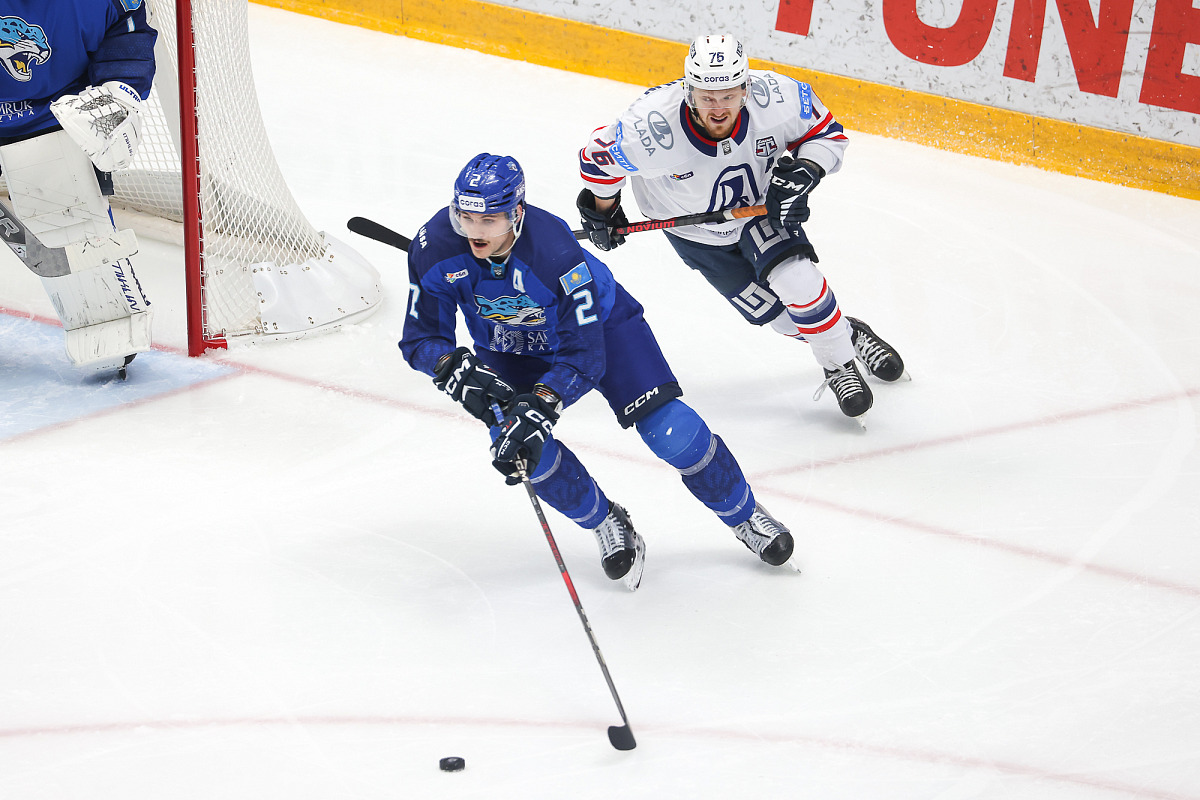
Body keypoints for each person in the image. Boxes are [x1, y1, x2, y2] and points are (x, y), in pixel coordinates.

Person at [400, 153, 797, 589]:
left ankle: (744, 515)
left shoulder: (554, 253)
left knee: (671, 429)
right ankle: (607, 521)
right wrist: (449, 367)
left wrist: (543, 403)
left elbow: (585, 356)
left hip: (600, 330)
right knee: (522, 448)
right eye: (466, 218)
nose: (475, 232)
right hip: (509, 347)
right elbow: (421, 338)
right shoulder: (434, 248)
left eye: (489, 220)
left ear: (517, 213)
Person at [577, 33, 908, 426]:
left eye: (729, 96)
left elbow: (826, 133)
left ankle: (838, 366)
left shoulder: (777, 98)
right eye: (707, 97)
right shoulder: (649, 128)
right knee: (780, 318)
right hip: (695, 236)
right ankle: (849, 334)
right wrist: (605, 210)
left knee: (798, 282)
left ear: (746, 89)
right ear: (688, 91)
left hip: (760, 210)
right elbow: (596, 160)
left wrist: (807, 169)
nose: (718, 109)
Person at [0, 1, 157, 377]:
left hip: (53, 116)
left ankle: (103, 323)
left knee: (70, 223)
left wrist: (118, 94)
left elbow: (127, 37)